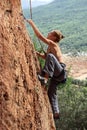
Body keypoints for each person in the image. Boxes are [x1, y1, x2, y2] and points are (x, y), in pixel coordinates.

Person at [26, 19, 67, 119]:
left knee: (50, 57)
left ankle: (45, 78)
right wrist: (37, 53)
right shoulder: (50, 48)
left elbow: (40, 37)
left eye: (50, 33)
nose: (48, 33)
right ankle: (56, 112)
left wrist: (31, 23)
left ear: (53, 37)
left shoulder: (53, 45)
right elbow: (46, 57)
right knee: (51, 93)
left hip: (60, 70)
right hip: (58, 76)